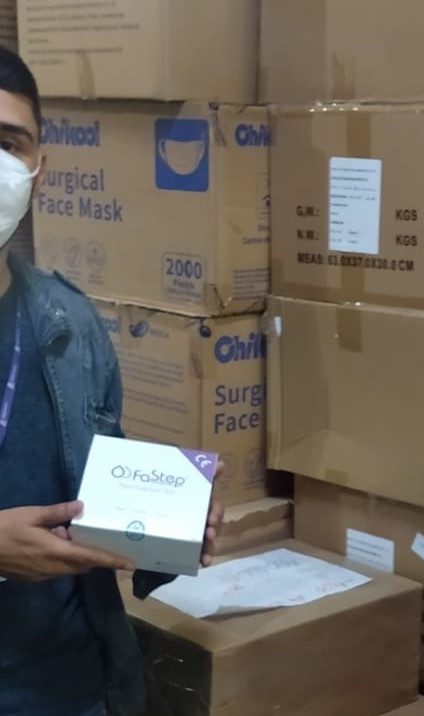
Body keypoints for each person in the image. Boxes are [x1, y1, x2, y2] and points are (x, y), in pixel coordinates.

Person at [0, 47, 224, 716]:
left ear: (39, 170)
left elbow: (97, 501)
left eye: (8, 144)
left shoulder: (69, 324)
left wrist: (169, 531)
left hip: (75, 688)